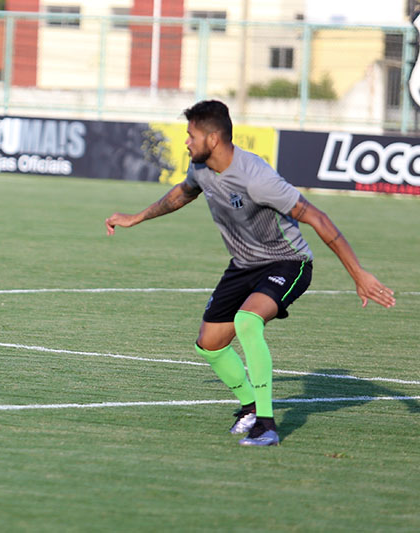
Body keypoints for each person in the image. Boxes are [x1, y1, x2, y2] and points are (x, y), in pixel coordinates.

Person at [105, 100, 395, 446]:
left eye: (191, 135)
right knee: (209, 345)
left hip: (288, 261)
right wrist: (135, 217)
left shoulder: (257, 178)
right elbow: (183, 194)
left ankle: (267, 426)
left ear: (212, 139)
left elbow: (317, 218)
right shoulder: (201, 169)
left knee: (247, 321)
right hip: (243, 265)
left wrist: (358, 273)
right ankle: (251, 407)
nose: (186, 141)